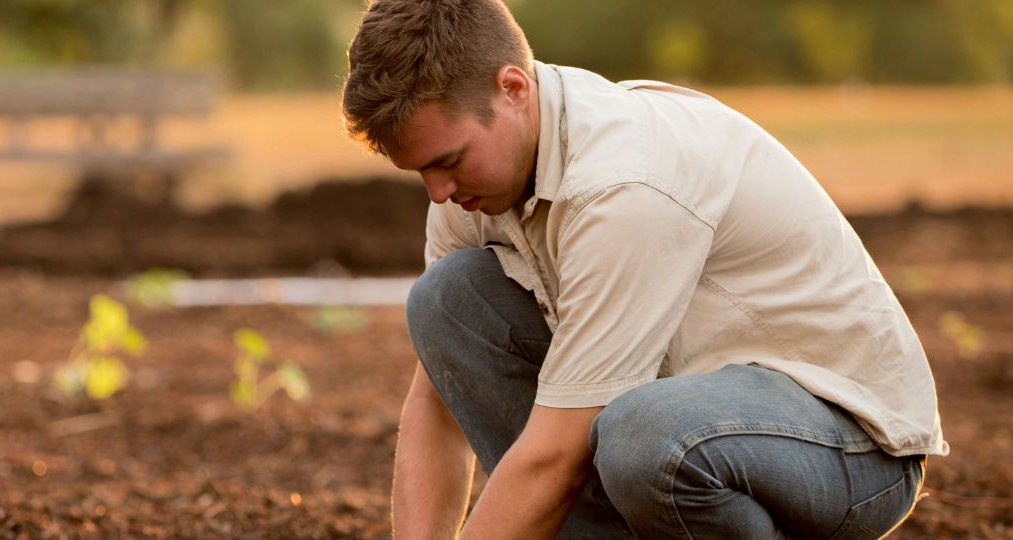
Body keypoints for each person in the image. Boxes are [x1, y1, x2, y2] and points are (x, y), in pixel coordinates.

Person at [340, 1, 948, 538]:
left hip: (847, 444)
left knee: (645, 437)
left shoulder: (624, 185)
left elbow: (555, 455)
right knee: (446, 301)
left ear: (513, 89)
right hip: (694, 415)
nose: (438, 192)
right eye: (421, 171)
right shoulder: (472, 189)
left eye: (448, 160)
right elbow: (438, 400)